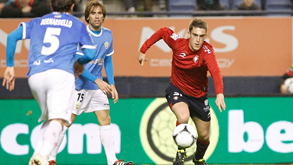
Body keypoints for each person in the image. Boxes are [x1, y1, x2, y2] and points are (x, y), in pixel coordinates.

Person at [2, 0, 96, 164]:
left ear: (51, 6)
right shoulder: (78, 24)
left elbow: (11, 36)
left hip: (35, 76)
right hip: (61, 74)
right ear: (72, 6)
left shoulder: (38, 21)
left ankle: (35, 157)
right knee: (58, 120)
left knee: (50, 119)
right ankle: (44, 156)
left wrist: (10, 66)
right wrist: (78, 64)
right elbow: (90, 54)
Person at [48, 1, 133, 165]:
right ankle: (50, 158)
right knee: (67, 122)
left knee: (105, 119)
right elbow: (77, 65)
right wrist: (98, 81)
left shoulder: (108, 34)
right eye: (93, 13)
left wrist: (112, 83)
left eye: (100, 13)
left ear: (103, 16)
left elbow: (108, 60)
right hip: (77, 85)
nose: (97, 16)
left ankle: (112, 161)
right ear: (87, 16)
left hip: (95, 86)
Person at [137, 18, 226, 165]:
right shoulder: (178, 43)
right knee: (183, 117)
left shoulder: (207, 51)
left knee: (204, 136)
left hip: (199, 96)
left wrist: (220, 93)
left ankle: (198, 159)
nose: (198, 40)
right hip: (178, 90)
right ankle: (181, 150)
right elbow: (162, 32)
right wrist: (143, 49)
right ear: (188, 33)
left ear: (205, 37)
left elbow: (215, 71)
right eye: (195, 35)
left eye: (201, 36)